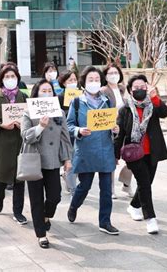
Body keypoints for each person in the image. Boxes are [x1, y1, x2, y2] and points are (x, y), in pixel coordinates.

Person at [66, 66, 120, 235]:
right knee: (85, 185)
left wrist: (115, 129)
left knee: (106, 188)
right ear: (84, 82)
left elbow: (112, 123)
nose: (94, 82)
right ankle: (74, 205)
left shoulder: (107, 101)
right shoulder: (76, 102)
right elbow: (68, 126)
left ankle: (105, 221)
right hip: (86, 150)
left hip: (105, 150)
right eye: (91, 79)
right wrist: (78, 131)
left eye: (97, 79)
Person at [114, 74, 167, 234]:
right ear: (130, 91)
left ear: (147, 88)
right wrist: (115, 155)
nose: (139, 90)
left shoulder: (152, 105)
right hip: (134, 153)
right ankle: (150, 219)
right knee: (145, 184)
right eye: (136, 88)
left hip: (152, 152)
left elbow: (166, 113)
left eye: (142, 87)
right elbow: (120, 133)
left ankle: (133, 206)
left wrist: (155, 97)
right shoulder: (125, 109)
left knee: (146, 183)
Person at [21, 79, 73, 248]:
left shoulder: (59, 113)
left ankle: (46, 215)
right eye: (43, 91)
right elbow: (26, 136)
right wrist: (40, 127)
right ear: (36, 93)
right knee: (36, 199)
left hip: (52, 162)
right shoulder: (28, 112)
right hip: (34, 160)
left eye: (49, 90)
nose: (47, 93)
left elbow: (65, 138)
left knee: (55, 196)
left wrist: (67, 159)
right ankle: (41, 234)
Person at [0, 65, 29, 225]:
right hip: (1, 143)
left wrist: (23, 124)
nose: (11, 79)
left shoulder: (23, 96)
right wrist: (1, 125)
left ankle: (18, 212)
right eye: (7, 77)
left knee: (19, 179)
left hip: (19, 142)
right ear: (1, 79)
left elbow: (29, 116)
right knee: (1, 178)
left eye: (13, 76)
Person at [101, 63, 132, 199]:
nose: (114, 75)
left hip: (125, 128)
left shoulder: (123, 89)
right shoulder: (103, 91)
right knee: (112, 160)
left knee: (132, 157)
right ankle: (111, 188)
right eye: (111, 73)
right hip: (112, 129)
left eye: (116, 73)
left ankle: (126, 183)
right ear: (106, 76)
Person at [57, 70, 80, 195]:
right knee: (70, 158)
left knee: (78, 159)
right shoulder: (60, 97)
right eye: (70, 80)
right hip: (66, 133)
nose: (73, 82)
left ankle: (70, 181)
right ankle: (72, 188)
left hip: (80, 132)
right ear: (64, 83)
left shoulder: (81, 96)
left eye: (74, 80)